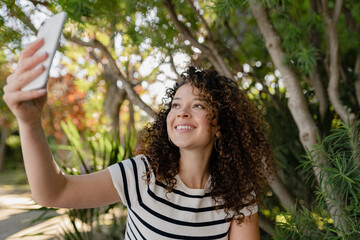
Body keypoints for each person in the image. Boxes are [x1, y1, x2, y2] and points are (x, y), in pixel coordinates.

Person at [3, 39, 274, 239]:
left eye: (199, 106)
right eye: (176, 105)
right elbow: (53, 192)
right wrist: (29, 123)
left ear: (220, 126)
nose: (182, 113)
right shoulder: (142, 174)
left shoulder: (238, 195)